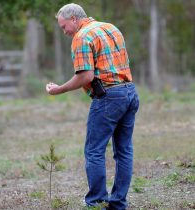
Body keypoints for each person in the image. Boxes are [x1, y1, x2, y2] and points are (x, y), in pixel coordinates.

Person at [46, 3, 139, 210]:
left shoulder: (81, 36)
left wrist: (58, 90)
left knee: (94, 151)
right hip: (130, 92)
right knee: (124, 151)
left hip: (108, 97)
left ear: (74, 19)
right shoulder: (110, 27)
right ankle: (118, 204)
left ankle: (96, 202)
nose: (64, 32)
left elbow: (85, 76)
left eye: (64, 27)